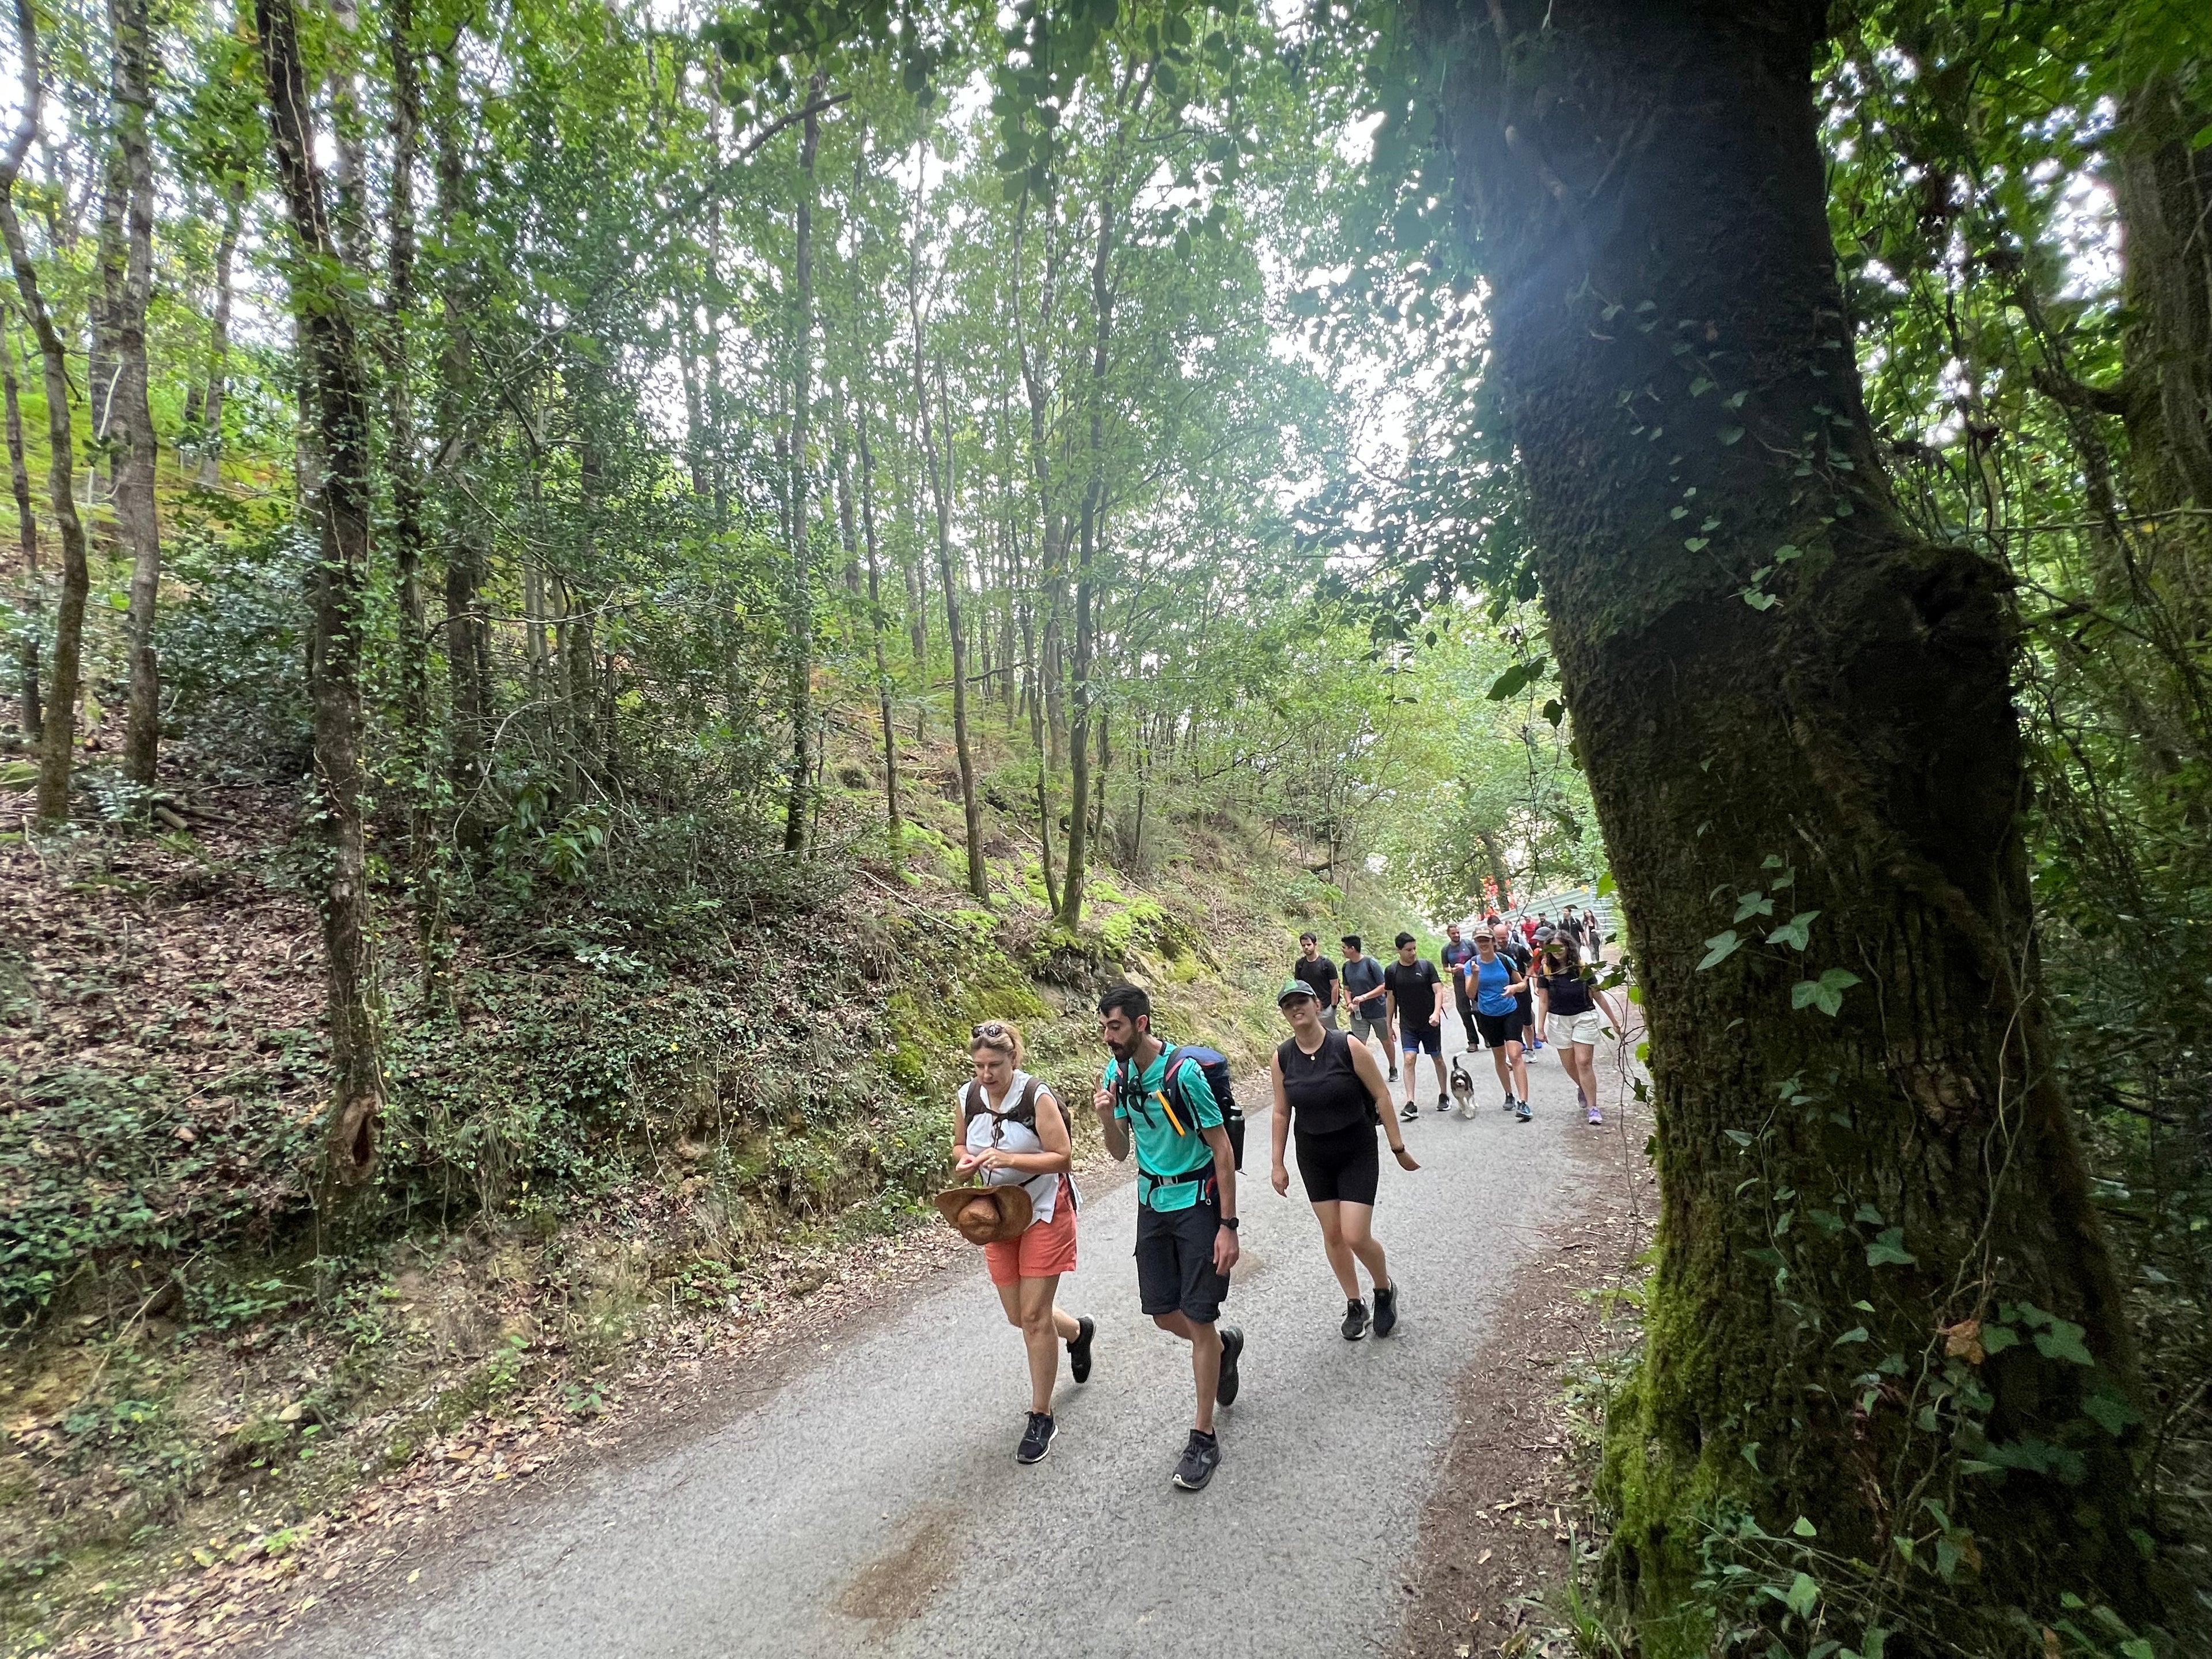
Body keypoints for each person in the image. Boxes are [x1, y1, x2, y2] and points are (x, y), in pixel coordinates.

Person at [1092, 983, 1244, 1493]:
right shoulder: (1117, 1074)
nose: (1108, 1036)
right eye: (1104, 1027)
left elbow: (1222, 1150)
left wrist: (1228, 1226)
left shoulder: (1185, 1074)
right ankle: (1221, 1349)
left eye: (1115, 1026)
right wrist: (1106, 1118)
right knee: (1162, 1313)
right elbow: (1119, 1152)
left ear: (1141, 1023)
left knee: (1199, 1316)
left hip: (1197, 1203)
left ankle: (1203, 1437)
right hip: (1152, 1203)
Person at [954, 1021, 1095, 1463]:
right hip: (998, 1215)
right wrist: (966, 1161)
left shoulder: (1037, 1096)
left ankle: (1041, 1415)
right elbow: (959, 1145)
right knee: (1019, 1314)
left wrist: (1009, 1158)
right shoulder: (968, 1097)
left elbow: (1063, 1157)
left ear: (1013, 1059)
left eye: (994, 1065)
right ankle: (1078, 1332)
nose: (986, 1074)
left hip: (1045, 1208)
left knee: (1034, 1317)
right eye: (979, 1065)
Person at [1267, 980, 1416, 1340]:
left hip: (1356, 1150)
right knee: (1333, 1234)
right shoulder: (1282, 1057)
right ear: (1284, 1013)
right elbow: (1281, 1112)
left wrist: (1398, 1148)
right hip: (1314, 1155)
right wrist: (1277, 1163)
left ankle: (1384, 1289)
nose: (1296, 1008)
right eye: (1289, 1005)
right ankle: (1355, 1303)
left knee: (1355, 1234)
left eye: (1302, 1001)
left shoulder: (1346, 1045)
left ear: (1317, 1005)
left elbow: (1381, 1095)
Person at [1537, 937, 1608, 1125]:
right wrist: (1540, 1029)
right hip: (1559, 1020)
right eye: (1553, 947)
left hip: (1585, 1016)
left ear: (1568, 947)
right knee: (1569, 1065)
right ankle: (1583, 1087)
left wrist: (1616, 1022)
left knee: (1583, 1062)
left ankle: (1593, 1107)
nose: (1557, 951)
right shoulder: (1546, 971)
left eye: (1560, 946)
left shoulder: (1582, 968)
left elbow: (1598, 995)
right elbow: (1543, 1001)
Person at [1463, 929, 1533, 1118]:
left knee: (1515, 1055)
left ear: (1493, 941)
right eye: (1479, 941)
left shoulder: (1504, 960)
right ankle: (1509, 1094)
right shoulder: (1471, 965)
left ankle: (1523, 1102)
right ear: (1476, 943)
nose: (1483, 944)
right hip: (1488, 1015)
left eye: (1486, 940)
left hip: (1510, 1012)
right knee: (1500, 1057)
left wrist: (1514, 988)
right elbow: (1470, 994)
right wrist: (1475, 975)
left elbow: (1522, 985)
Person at [1382, 932, 1446, 1120]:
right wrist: (1389, 1024)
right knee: (1409, 1059)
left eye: (1414, 949)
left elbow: (1438, 991)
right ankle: (1410, 1102)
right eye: (1408, 950)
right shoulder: (1392, 971)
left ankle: (1444, 1094)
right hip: (1408, 1024)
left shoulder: (1426, 967)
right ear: (1399, 950)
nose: (1413, 953)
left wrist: (1436, 1013)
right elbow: (1390, 998)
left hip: (1430, 1023)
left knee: (1437, 1058)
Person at [1339, 935, 1395, 1082]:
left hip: (1378, 1010)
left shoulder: (1371, 964)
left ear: (1352, 949)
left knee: (1385, 1040)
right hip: (1358, 1013)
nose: (1342, 950)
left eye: (1344, 947)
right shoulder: (1346, 967)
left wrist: (1364, 997)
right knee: (1358, 1044)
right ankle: (1361, 1074)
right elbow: (1347, 988)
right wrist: (1349, 1003)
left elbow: (1384, 986)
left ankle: (1393, 1067)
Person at [1493, 922, 1539, 1081]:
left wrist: (1525, 981)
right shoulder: (1493, 953)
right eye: (1498, 938)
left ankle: (1530, 1049)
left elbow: (1532, 964)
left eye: (1504, 937)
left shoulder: (1517, 949)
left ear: (1508, 935)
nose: (1501, 941)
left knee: (1527, 1021)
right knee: (1507, 1023)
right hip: (1504, 993)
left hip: (1521, 990)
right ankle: (1511, 1055)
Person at [1440, 921, 1479, 1049]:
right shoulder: (1446, 950)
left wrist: (1465, 967)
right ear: (1448, 934)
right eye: (1453, 933)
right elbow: (1445, 967)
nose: (1456, 935)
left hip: (1474, 979)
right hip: (1459, 982)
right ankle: (1472, 1041)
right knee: (1464, 1011)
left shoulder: (1469, 944)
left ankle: (1488, 1037)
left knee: (1478, 1009)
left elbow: (1478, 960)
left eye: (1458, 932)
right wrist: (1452, 970)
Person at [1291, 931, 1340, 1029]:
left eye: (1309, 945)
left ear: (1315, 945)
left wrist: (1333, 1005)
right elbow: (1299, 985)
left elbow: (1335, 985)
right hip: (1308, 1006)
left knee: (1331, 1033)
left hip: (1326, 1007)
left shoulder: (1327, 964)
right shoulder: (1300, 965)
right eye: (1303, 945)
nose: (1306, 947)